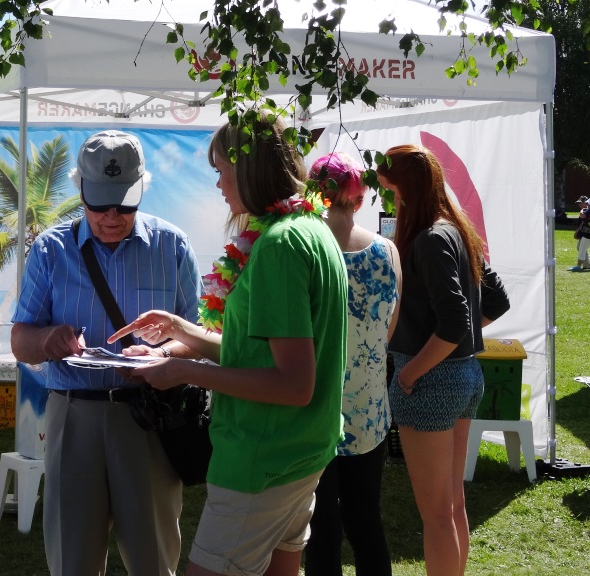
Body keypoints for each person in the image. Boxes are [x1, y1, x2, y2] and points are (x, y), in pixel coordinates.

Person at [107, 117, 348, 576]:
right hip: (303, 451)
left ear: (250, 167)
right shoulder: (310, 227)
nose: (217, 182)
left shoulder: (279, 245)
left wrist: (182, 371)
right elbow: (257, 354)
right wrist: (181, 331)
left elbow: (294, 383)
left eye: (222, 169)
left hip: (263, 458)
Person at [11, 130, 202, 576]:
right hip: (73, 417)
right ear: (80, 190)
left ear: (142, 190)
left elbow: (196, 337)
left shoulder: (172, 246)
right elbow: (21, 340)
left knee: (153, 561)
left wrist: (162, 355)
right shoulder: (51, 249)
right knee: (72, 561)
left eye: (125, 203)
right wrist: (47, 340)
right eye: (100, 204)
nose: (112, 216)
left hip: (148, 419)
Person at [376, 145, 510, 576]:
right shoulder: (454, 229)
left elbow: (455, 322)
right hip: (464, 377)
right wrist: (457, 343)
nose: (388, 201)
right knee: (451, 507)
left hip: (432, 381)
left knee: (437, 515)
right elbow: (494, 301)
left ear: (406, 188)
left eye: (390, 191)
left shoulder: (431, 238)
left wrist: (412, 371)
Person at [303, 153, 401, 576]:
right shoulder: (387, 250)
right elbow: (388, 330)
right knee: (366, 522)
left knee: (321, 527)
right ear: (359, 199)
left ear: (312, 193)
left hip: (315, 406)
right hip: (370, 409)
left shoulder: (304, 251)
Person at [570, 195, 590, 272]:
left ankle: (579, 265)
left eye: (582, 203)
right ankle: (587, 264)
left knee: (582, 249)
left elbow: (582, 217)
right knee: (580, 248)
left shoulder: (586, 210)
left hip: (587, 234)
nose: (580, 204)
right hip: (585, 233)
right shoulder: (586, 210)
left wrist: (582, 211)